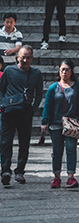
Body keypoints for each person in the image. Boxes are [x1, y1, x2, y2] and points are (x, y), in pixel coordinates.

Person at [40, 59, 79, 189]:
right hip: (56, 123)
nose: (64, 72)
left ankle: (71, 177)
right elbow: (47, 106)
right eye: (62, 69)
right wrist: (44, 122)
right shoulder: (53, 87)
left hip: (72, 124)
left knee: (71, 149)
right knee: (57, 151)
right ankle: (56, 177)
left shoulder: (77, 87)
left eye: (67, 70)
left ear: (72, 71)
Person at [0, 46, 43, 185]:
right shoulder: (9, 70)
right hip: (8, 111)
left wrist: (33, 109)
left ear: (32, 58)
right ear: (17, 57)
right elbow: (1, 88)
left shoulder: (36, 73)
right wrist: (3, 103)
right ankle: (5, 170)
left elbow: (39, 94)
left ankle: (20, 171)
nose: (25, 60)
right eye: (23, 57)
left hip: (25, 111)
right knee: (6, 142)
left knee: (24, 143)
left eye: (28, 57)